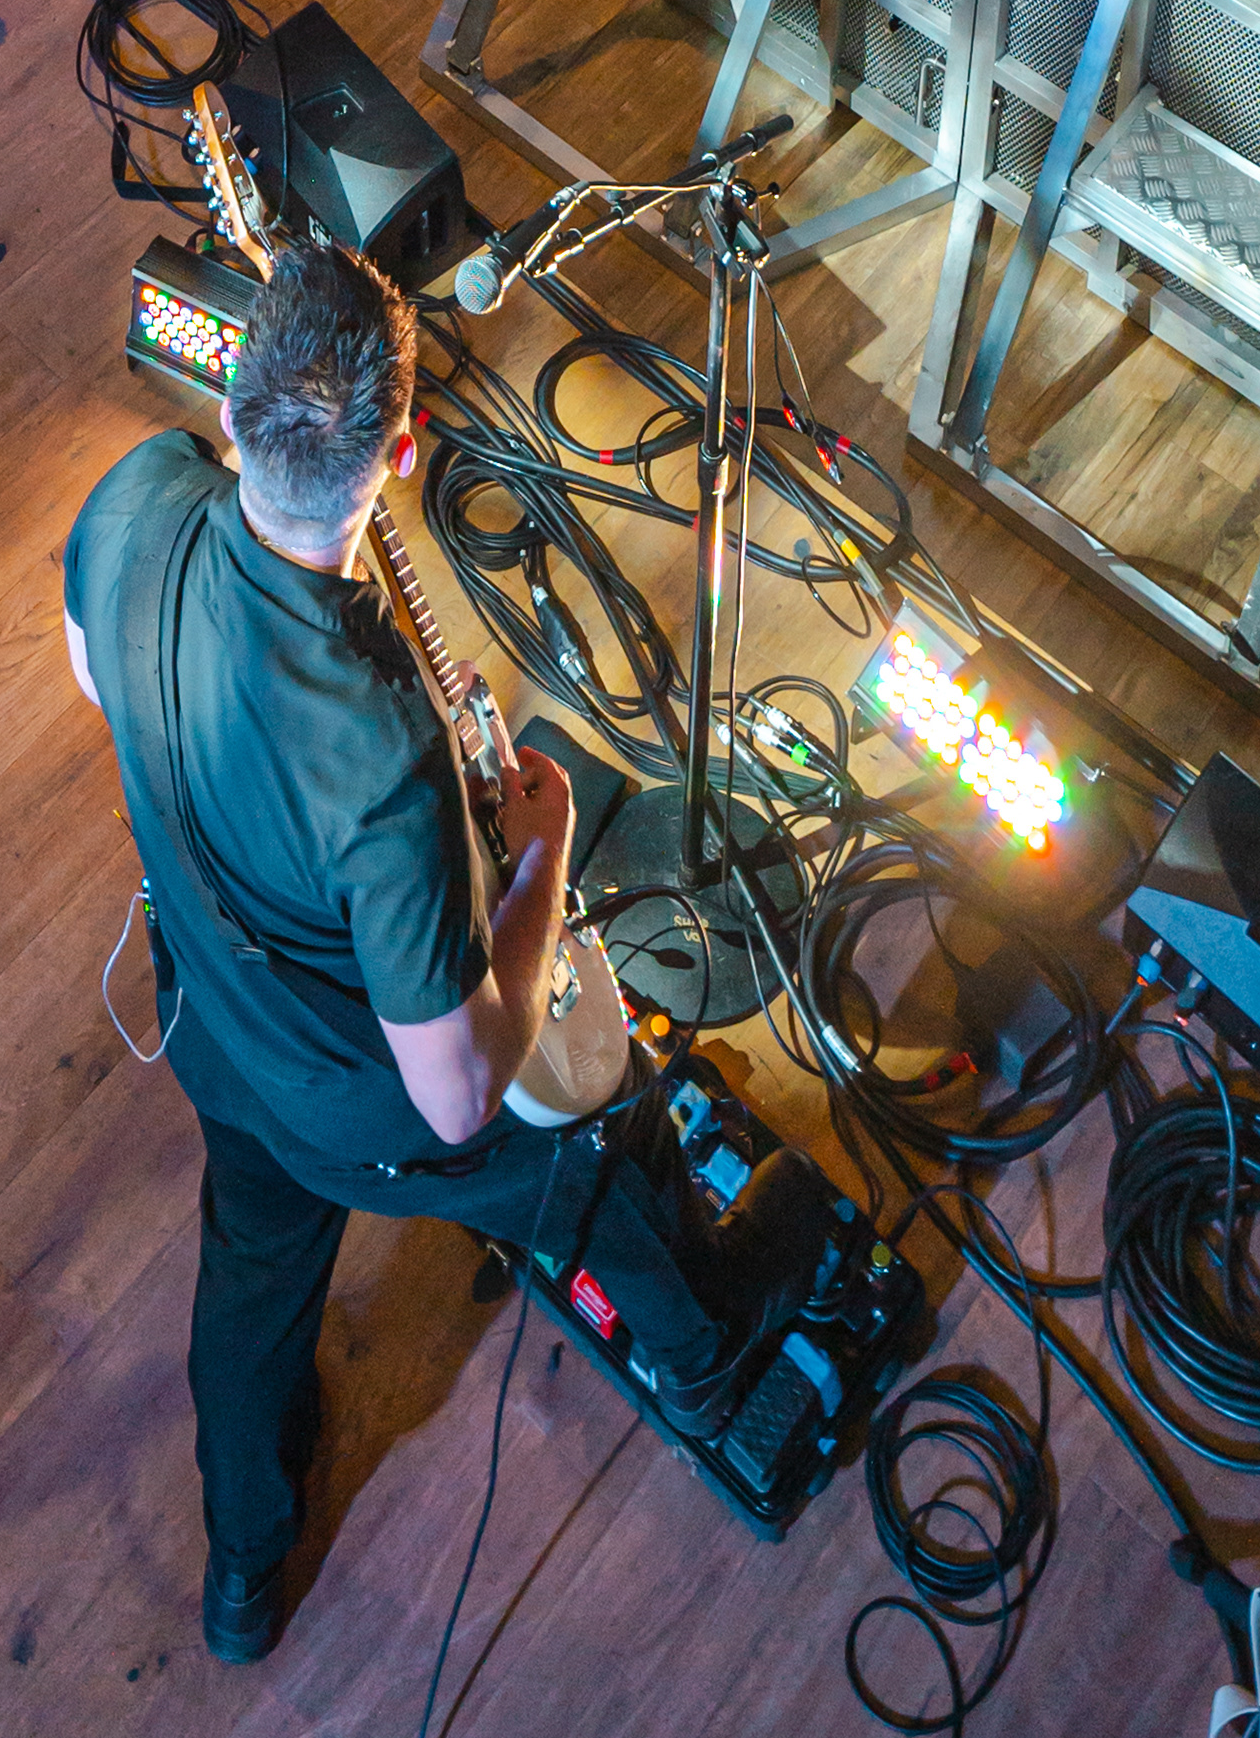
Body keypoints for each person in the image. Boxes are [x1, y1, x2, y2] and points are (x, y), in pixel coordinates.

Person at [62, 238, 793, 1665]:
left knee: (253, 1271)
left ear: (229, 403)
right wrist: (543, 859)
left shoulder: (142, 491)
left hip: (208, 1019)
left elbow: (93, 666)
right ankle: (710, 1357)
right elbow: (457, 1092)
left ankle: (241, 1567)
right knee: (594, 1145)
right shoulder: (381, 755)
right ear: (399, 452)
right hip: (362, 1110)